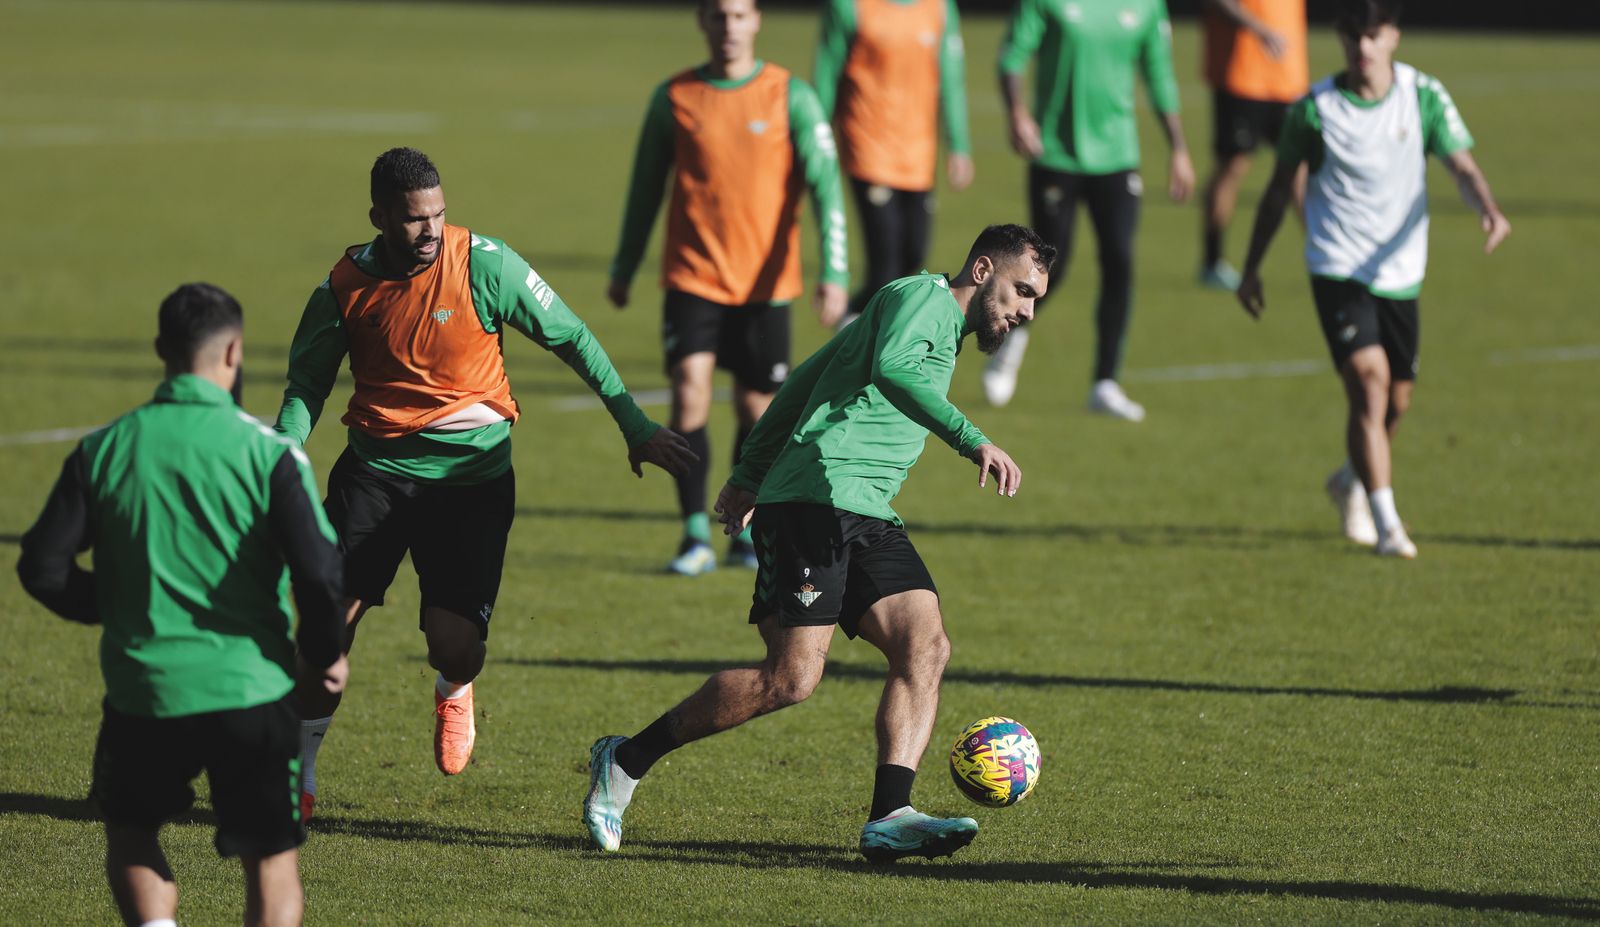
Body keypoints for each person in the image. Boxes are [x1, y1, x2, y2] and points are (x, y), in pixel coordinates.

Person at [584, 224, 1051, 863]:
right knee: (790, 678)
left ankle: (890, 813)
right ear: (981, 269)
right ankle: (625, 759)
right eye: (1021, 290)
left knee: (927, 645)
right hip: (813, 500)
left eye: (1034, 301)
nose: (1026, 311)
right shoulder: (924, 298)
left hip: (866, 510)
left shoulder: (941, 327)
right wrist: (974, 439)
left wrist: (749, 470)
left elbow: (808, 376)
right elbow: (890, 370)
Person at [276, 148, 694, 817]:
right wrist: (279, 460)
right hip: (374, 476)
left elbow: (573, 338)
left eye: (439, 214)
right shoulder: (344, 286)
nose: (430, 231)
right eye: (414, 220)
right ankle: (297, 770)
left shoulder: (484, 264)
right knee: (325, 634)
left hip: (470, 485)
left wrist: (632, 422)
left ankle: (454, 683)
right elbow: (305, 387)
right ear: (380, 216)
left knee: (456, 642)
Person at [17, 283, 348, 927]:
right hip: (251, 693)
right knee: (271, 862)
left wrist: (112, 606)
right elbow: (319, 572)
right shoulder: (269, 453)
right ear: (234, 353)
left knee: (134, 836)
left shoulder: (105, 449)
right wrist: (325, 654)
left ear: (161, 352)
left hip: (146, 695)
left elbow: (42, 566)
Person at [1236, 0, 1510, 558]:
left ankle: (1348, 480)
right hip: (1336, 264)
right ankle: (1388, 525)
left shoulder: (1423, 95)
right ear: (1341, 39)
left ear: (1394, 38)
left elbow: (1460, 162)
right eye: (1353, 36)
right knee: (1369, 380)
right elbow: (1275, 190)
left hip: (1402, 272)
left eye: (1374, 36)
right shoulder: (1314, 109)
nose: (1363, 48)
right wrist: (1251, 267)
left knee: (1396, 403)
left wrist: (1486, 205)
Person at [608, 0, 851, 576]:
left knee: (756, 409)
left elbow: (827, 189)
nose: (729, 27)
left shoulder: (791, 96)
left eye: (740, 15)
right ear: (702, 21)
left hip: (766, 288)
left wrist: (834, 273)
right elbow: (646, 187)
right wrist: (624, 265)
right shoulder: (675, 98)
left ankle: (741, 527)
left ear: (757, 20)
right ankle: (693, 531)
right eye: (719, 16)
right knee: (689, 390)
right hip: (693, 278)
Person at [986, 0, 1196, 420]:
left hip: (1117, 156)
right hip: (1056, 154)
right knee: (1049, 268)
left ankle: (1105, 382)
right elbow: (1012, 55)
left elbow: (1159, 74)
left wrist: (1178, 148)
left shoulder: (1147, 7)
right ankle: (1009, 337)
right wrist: (1017, 112)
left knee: (1120, 260)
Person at [813, 0, 974, 321]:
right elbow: (827, 74)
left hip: (917, 156)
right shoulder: (849, 7)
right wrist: (818, 138)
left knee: (913, 256)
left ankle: (849, 323)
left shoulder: (939, 8)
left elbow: (950, 79)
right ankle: (866, 351)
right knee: (885, 265)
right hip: (868, 150)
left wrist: (958, 145)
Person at [1197, 0, 1308, 290]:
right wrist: (1259, 29)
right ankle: (1213, 261)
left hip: (1289, 79)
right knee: (1233, 167)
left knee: (1301, 172)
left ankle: (1327, 260)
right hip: (1243, 77)